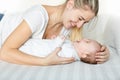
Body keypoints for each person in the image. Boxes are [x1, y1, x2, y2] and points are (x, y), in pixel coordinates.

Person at [0, 0, 109, 66]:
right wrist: (44, 62)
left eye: (85, 22)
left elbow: (83, 48)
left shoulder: (68, 27)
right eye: (80, 18)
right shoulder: (38, 15)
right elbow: (4, 53)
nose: (80, 25)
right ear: (70, 4)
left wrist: (101, 53)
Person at [19, 34, 101, 64]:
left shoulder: (70, 55)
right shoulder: (72, 47)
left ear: (83, 54)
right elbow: (57, 44)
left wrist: (57, 41)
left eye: (87, 42)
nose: (84, 39)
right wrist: (54, 39)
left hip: (34, 50)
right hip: (40, 45)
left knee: (24, 45)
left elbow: (55, 51)